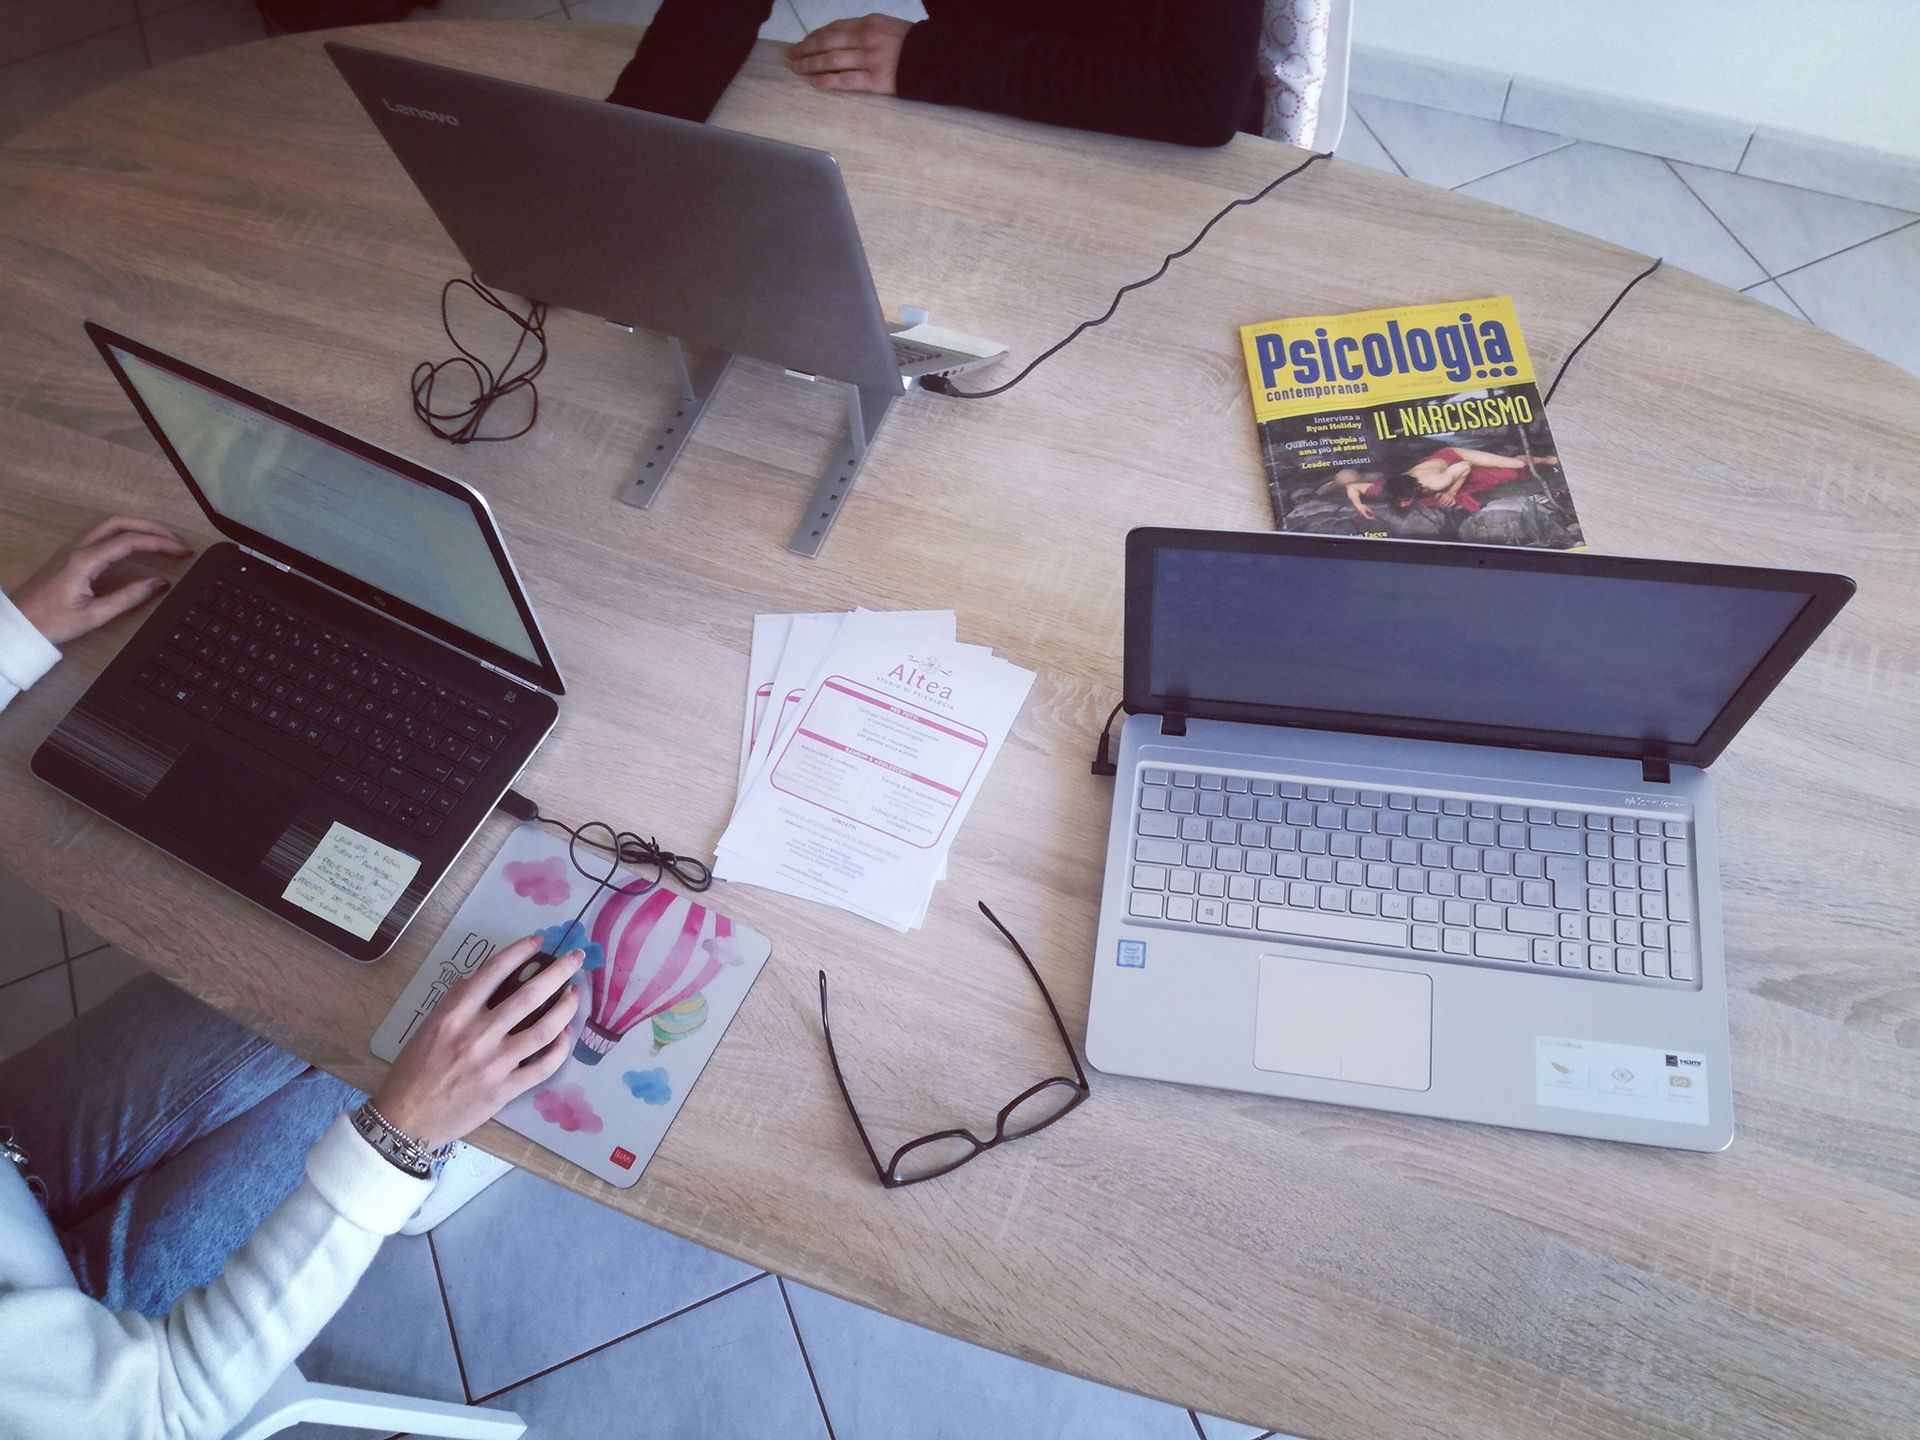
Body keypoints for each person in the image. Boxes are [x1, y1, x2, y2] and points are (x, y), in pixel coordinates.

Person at [0, 515, 583, 1439]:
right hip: (100, 1358)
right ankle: (437, 1151)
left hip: (10, 1156)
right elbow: (165, 1410)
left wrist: (12, 640)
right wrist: (402, 1140)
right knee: (408, 1055)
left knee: (341, 981)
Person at [607, 1, 1267, 148]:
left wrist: (925, 59)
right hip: (983, 114)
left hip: (1151, 145)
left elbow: (1199, 98)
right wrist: (628, 148)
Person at [1330, 446, 1555, 524]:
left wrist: (1451, 492)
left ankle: (1544, 460)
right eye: (1400, 501)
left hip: (1453, 456)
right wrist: (1359, 505)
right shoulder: (1385, 488)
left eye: (1406, 500)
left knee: (1516, 466)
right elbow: (1353, 487)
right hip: (1434, 466)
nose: (1404, 504)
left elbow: (1465, 466)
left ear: (1416, 492)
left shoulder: (1436, 482)